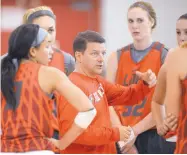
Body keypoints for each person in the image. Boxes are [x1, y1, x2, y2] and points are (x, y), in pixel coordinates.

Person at [48, 30, 157, 154]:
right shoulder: (72, 86)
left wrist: (145, 84)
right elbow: (74, 134)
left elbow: (127, 95)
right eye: (95, 54)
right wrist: (115, 133)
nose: (101, 59)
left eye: (103, 53)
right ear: (79, 56)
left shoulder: (97, 80)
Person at [1, 24, 96, 153]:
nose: (51, 51)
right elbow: (88, 110)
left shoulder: (4, 74)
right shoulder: (50, 73)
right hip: (38, 149)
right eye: (47, 46)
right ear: (33, 51)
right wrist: (63, 143)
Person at [106, 1, 170, 154]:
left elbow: (166, 105)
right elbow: (106, 102)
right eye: (131, 21)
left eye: (140, 20)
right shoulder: (116, 57)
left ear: (151, 22)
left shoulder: (165, 55)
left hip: (153, 134)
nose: (135, 26)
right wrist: (124, 135)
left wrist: (134, 131)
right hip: (121, 135)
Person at [151, 13, 187, 153]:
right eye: (178, 33)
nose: (182, 37)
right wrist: (160, 125)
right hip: (178, 140)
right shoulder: (169, 65)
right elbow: (156, 101)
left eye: (186, 32)